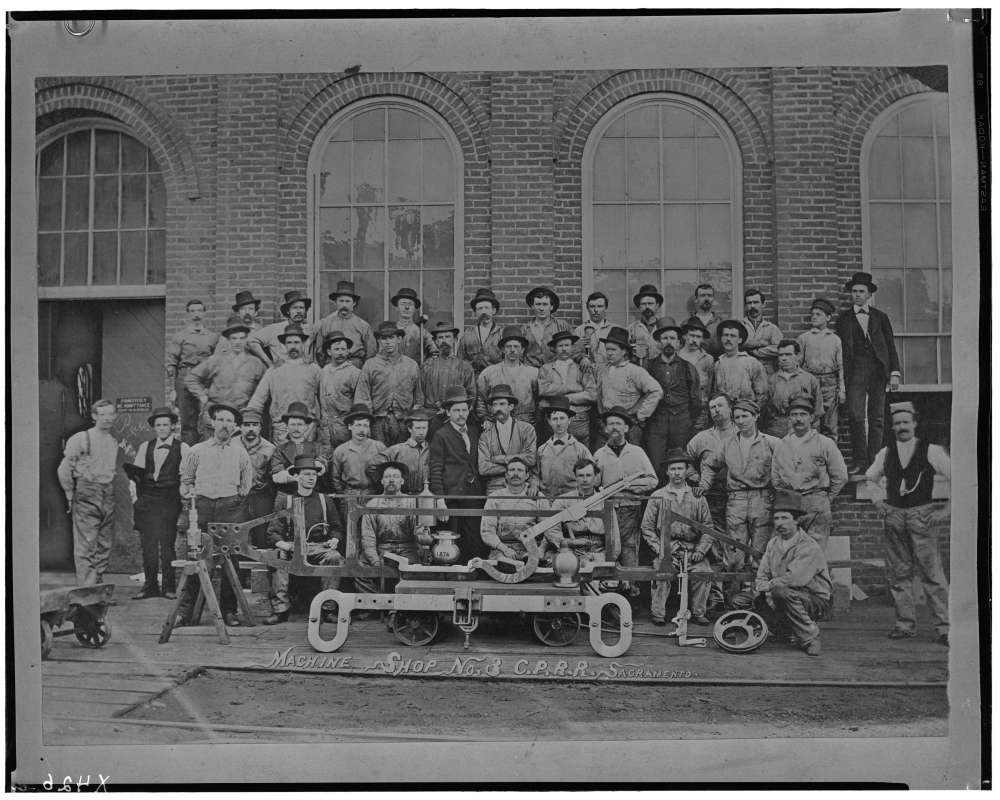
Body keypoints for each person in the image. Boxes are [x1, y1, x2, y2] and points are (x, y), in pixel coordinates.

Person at [864, 402, 950, 645]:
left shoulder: (930, 450)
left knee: (932, 575)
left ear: (914, 423)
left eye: (906, 422)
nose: (901, 426)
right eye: (897, 423)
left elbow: (960, 476)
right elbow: (870, 479)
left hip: (922, 517)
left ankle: (945, 628)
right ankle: (904, 625)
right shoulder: (886, 452)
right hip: (894, 517)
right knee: (898, 574)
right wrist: (879, 502)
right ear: (892, 427)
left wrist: (946, 510)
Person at [175, 403, 254, 628]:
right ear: (213, 422)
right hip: (202, 508)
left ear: (235, 427)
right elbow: (186, 481)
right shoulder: (196, 451)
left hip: (230, 509)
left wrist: (230, 501)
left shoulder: (240, 453)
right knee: (196, 559)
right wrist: (192, 495)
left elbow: (246, 486)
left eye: (230, 421)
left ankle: (229, 611)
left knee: (231, 561)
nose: (225, 425)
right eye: (221, 420)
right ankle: (185, 612)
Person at [697, 399, 779, 578]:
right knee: (734, 552)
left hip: (762, 499)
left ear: (756, 417)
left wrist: (777, 493)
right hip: (736, 500)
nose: (741, 421)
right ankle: (733, 596)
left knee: (761, 550)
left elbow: (783, 470)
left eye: (745, 416)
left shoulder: (772, 443)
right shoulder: (727, 443)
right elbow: (710, 465)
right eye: (737, 418)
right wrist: (704, 484)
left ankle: (759, 596)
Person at [263, 455, 343, 625]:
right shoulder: (285, 500)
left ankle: (328, 609)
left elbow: (337, 527)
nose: (311, 478)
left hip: (319, 547)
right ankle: (280, 610)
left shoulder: (324, 500)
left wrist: (335, 539)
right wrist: (286, 546)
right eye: (306, 474)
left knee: (334, 558)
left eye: (313, 475)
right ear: (297, 476)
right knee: (278, 559)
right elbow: (273, 532)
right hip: (292, 547)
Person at [753, 489, 833, 657]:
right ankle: (786, 632)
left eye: (784, 518)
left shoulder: (808, 546)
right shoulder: (773, 543)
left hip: (814, 600)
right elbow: (762, 574)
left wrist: (767, 586)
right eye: (776, 518)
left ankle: (811, 638)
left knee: (780, 592)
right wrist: (762, 587)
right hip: (782, 593)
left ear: (796, 521)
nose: (779, 523)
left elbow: (794, 579)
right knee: (745, 599)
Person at [835, 271, 902, 472]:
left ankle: (875, 462)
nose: (857, 295)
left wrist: (895, 373)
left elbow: (890, 345)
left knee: (877, 417)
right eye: (854, 291)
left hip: (878, 370)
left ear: (869, 294)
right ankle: (860, 461)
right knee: (855, 415)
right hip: (855, 370)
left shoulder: (881, 317)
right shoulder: (843, 319)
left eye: (861, 291)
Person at [641, 449, 715, 626]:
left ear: (687, 470)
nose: (676, 473)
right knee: (662, 571)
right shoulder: (658, 496)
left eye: (680, 468)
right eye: (672, 469)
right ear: (667, 471)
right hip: (667, 547)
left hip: (692, 548)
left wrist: (700, 550)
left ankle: (698, 612)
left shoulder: (697, 498)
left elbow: (708, 528)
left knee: (704, 572)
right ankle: (658, 613)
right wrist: (660, 550)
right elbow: (647, 528)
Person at [592, 407, 658, 600]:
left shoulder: (637, 452)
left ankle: (632, 594)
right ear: (605, 429)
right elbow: (595, 486)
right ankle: (609, 594)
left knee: (630, 549)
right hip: (608, 510)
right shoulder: (599, 455)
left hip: (631, 508)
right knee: (609, 549)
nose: (614, 427)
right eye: (610, 423)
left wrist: (630, 486)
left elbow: (652, 480)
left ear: (627, 428)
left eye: (618, 423)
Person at [771, 397, 848, 552]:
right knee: (788, 553)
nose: (798, 419)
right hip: (790, 506)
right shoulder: (782, 445)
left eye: (803, 414)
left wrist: (825, 498)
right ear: (789, 418)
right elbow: (776, 479)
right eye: (794, 414)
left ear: (812, 417)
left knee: (813, 555)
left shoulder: (824, 443)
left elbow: (840, 476)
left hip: (816, 506)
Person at [58, 399, 120, 586]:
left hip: (107, 493)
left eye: (111, 414)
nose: (107, 418)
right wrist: (70, 493)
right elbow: (64, 469)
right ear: (94, 416)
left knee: (104, 545)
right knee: (86, 545)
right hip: (87, 492)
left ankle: (97, 590)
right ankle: (86, 592)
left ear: (115, 416)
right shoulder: (80, 439)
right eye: (102, 414)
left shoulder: (113, 441)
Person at [128, 407, 189, 599]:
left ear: (172, 426)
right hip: (147, 502)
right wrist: (137, 500)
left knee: (167, 545)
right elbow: (135, 477)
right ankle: (150, 586)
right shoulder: (146, 447)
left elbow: (187, 477)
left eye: (165, 424)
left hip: (169, 502)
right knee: (148, 546)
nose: (162, 428)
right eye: (158, 425)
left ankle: (169, 587)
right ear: (154, 427)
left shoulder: (183, 448)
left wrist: (183, 496)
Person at [185, 314, 267, 440]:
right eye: (233, 338)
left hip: (241, 416)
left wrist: (251, 408)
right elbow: (191, 378)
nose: (237, 342)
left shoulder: (256, 363)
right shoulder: (216, 360)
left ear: (247, 339)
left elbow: (264, 388)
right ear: (228, 340)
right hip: (215, 414)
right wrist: (202, 395)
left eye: (241, 338)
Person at [428, 386, 485, 560]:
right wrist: (440, 500)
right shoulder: (441, 435)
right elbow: (435, 469)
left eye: (464, 410)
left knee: (474, 539)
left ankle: (473, 576)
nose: (461, 414)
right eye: (456, 410)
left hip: (474, 496)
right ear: (447, 412)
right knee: (452, 541)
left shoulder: (475, 432)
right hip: (451, 497)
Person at [245, 323, 322, 445]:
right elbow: (258, 400)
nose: (293, 346)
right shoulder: (274, 371)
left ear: (303, 344)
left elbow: (323, 400)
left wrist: (315, 423)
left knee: (305, 462)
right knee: (281, 462)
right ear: (284, 345)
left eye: (297, 342)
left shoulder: (314, 369)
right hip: (281, 429)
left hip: (307, 428)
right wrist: (249, 422)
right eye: (289, 343)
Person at [357, 462, 429, 593]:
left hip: (407, 549)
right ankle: (377, 603)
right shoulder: (373, 504)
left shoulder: (412, 502)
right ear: (382, 481)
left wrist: (422, 543)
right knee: (358, 568)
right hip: (382, 550)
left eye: (395, 476)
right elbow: (367, 538)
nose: (391, 479)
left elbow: (419, 532)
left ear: (402, 481)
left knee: (420, 571)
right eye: (387, 477)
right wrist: (376, 562)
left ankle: (404, 609)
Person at [645, 324, 701, 484]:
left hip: (681, 424)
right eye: (664, 338)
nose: (668, 342)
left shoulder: (688, 367)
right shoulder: (648, 366)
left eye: (672, 338)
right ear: (658, 343)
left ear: (678, 343)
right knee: (656, 465)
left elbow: (696, 400)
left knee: (679, 465)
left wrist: (686, 419)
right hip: (656, 424)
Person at [355, 321, 424, 446]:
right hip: (378, 422)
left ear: (399, 339)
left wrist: (412, 422)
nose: (387, 342)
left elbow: (418, 398)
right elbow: (362, 397)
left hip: (403, 422)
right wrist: (367, 424)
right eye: (384, 338)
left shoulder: (411, 365)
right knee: (379, 458)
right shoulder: (370, 365)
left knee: (402, 458)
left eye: (391, 337)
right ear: (379, 341)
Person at [593, 326, 663, 448]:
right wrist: (601, 416)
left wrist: (640, 415)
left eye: (613, 350)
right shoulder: (603, 370)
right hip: (607, 424)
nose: (609, 353)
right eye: (607, 349)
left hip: (629, 426)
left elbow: (656, 391)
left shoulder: (635, 371)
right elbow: (599, 393)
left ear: (624, 351)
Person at [329, 403, 389, 538]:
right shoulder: (341, 451)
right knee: (351, 534)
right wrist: (345, 497)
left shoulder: (379, 447)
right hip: (350, 496)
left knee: (372, 533)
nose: (362, 430)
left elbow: (387, 472)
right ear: (350, 427)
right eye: (358, 425)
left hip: (373, 495)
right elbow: (335, 478)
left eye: (365, 425)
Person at [166, 300, 220, 444]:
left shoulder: (212, 337)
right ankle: (189, 457)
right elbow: (171, 364)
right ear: (188, 313)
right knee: (188, 421)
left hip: (205, 379)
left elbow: (217, 362)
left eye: (199, 311)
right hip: (185, 377)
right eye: (192, 311)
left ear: (204, 313)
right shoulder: (180, 336)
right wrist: (172, 389)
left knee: (207, 418)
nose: (196, 314)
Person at [549, 458, 620, 566]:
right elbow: (552, 531)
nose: (585, 480)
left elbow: (615, 540)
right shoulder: (563, 501)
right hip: (571, 553)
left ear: (595, 477)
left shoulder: (605, 503)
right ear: (575, 477)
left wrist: (604, 558)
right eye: (581, 476)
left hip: (599, 554)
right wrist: (567, 548)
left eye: (589, 475)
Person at [686, 392, 738, 531]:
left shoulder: (741, 433)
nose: (716, 410)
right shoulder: (701, 438)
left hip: (737, 493)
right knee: (712, 532)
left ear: (730, 408)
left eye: (720, 405)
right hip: (711, 493)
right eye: (712, 407)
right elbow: (685, 461)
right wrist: (695, 477)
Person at [420, 318, 478, 441]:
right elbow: (420, 393)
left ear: (455, 340)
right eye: (440, 338)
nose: (444, 341)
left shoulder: (465, 367)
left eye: (448, 337)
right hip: (433, 418)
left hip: (456, 418)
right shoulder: (427, 366)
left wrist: (458, 411)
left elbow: (471, 395)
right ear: (435, 341)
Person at [480, 457, 546, 562]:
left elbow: (549, 530)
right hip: (502, 550)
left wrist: (540, 549)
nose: (515, 474)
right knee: (502, 565)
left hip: (531, 548)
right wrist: (504, 549)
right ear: (506, 475)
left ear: (527, 475)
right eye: (512, 470)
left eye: (520, 470)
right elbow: (487, 532)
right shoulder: (495, 498)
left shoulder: (538, 497)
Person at [537, 330, 596, 447]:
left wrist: (567, 398)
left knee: (580, 453)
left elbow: (592, 394)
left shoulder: (582, 367)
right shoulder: (546, 368)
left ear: (572, 347)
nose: (564, 349)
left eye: (567, 345)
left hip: (578, 418)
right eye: (560, 346)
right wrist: (574, 387)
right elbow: (544, 389)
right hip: (554, 418)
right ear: (554, 348)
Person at [797, 298, 846, 439]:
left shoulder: (835, 339)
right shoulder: (804, 338)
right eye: (812, 314)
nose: (814, 317)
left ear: (828, 317)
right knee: (812, 424)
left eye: (818, 314)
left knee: (830, 426)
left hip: (830, 384)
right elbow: (797, 364)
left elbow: (841, 366)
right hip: (810, 383)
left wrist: (842, 389)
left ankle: (829, 458)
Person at [477, 384, 538, 494]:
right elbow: (483, 468)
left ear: (511, 406)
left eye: (502, 404)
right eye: (495, 405)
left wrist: (498, 459)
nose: (498, 408)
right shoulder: (486, 435)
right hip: (495, 486)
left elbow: (530, 458)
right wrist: (515, 470)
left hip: (522, 484)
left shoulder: (526, 429)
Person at [476, 326, 539, 427]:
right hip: (496, 423)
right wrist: (484, 419)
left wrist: (535, 422)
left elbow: (539, 401)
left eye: (516, 346)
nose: (512, 350)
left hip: (525, 424)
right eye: (508, 347)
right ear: (502, 349)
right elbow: (481, 399)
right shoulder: (489, 373)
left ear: (522, 349)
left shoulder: (533, 373)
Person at [763, 339, 823, 438]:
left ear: (798, 355)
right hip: (777, 431)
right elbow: (765, 410)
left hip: (802, 430)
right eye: (781, 355)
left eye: (788, 354)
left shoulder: (809, 379)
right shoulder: (771, 381)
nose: (784, 358)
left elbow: (818, 410)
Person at [311, 280, 378, 368]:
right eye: (341, 301)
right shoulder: (326, 323)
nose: (344, 305)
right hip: (332, 365)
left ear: (354, 303)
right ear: (335, 302)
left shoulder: (363, 325)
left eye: (347, 301)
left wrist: (361, 368)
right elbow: (320, 350)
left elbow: (371, 351)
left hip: (355, 365)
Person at [537, 397, 593, 500]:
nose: (559, 423)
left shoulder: (580, 449)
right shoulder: (542, 450)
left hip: (572, 502)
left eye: (562, 418)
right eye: (555, 419)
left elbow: (592, 476)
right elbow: (535, 474)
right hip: (547, 501)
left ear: (569, 420)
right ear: (549, 421)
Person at [317, 333, 362, 459]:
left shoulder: (354, 373)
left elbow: (359, 403)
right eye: (336, 349)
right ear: (329, 352)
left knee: (345, 458)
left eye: (343, 349)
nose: (340, 353)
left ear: (348, 351)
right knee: (326, 459)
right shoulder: (324, 371)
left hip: (345, 425)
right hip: (326, 425)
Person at [246, 289, 315, 368]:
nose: (299, 311)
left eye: (301, 308)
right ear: (288, 311)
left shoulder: (308, 330)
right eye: (295, 308)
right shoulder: (275, 328)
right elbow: (251, 340)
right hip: (281, 374)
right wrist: (268, 362)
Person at [237, 409, 276, 548]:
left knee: (262, 536)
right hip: (237, 496)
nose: (251, 429)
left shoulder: (269, 449)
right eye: (246, 425)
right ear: (240, 427)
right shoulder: (232, 445)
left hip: (260, 496)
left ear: (260, 427)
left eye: (254, 425)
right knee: (238, 537)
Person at [270, 401, 326, 494]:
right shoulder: (280, 449)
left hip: (311, 494)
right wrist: (293, 476)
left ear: (306, 427)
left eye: (300, 424)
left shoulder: (316, 447)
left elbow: (322, 464)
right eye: (292, 424)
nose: (296, 428)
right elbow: (276, 474)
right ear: (287, 426)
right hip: (288, 494)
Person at [711, 319, 768, 408]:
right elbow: (715, 393)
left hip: (746, 414)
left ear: (740, 340)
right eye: (725, 335)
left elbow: (762, 395)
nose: (728, 339)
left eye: (733, 336)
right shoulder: (718, 364)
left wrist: (753, 413)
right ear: (721, 338)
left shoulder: (751, 362)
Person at [627, 284, 677, 368]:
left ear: (657, 306)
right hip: (640, 373)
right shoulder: (631, 329)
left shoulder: (666, 328)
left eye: (650, 304)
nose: (647, 307)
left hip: (662, 372)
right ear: (639, 307)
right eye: (643, 304)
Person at [386, 408, 434, 494]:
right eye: (418, 428)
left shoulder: (433, 450)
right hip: (403, 497)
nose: (421, 432)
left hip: (426, 497)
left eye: (424, 428)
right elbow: (373, 466)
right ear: (410, 429)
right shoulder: (397, 450)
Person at [522, 286, 571, 368]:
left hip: (555, 371)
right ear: (532, 306)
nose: (541, 308)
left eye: (545, 304)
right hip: (531, 371)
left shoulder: (562, 325)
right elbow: (519, 354)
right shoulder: (525, 329)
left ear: (551, 307)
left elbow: (575, 348)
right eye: (538, 304)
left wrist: (582, 359)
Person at [679, 320, 715, 431]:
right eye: (692, 335)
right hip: (680, 409)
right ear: (685, 336)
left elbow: (710, 384)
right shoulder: (677, 356)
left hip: (700, 410)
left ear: (702, 339)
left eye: (698, 337)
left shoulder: (707, 359)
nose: (694, 340)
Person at [457, 287, 503, 374]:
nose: (484, 312)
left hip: (495, 378)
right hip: (472, 380)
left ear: (493, 310)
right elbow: (460, 361)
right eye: (480, 309)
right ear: (475, 313)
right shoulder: (467, 335)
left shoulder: (501, 333)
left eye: (487, 308)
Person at [741, 288, 784, 375]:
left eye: (756, 302)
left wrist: (754, 352)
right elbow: (739, 344)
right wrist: (761, 343)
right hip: (744, 370)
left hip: (766, 372)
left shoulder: (771, 328)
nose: (752, 306)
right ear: (745, 306)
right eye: (749, 303)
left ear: (763, 304)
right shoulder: (740, 326)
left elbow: (779, 349)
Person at [391, 287, 437, 364]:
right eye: (403, 304)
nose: (406, 307)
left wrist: (425, 367)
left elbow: (434, 353)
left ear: (415, 309)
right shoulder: (390, 331)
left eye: (410, 304)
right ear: (396, 308)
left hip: (415, 374)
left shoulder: (422, 333)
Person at [573, 291, 615, 369]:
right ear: (587, 308)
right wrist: (581, 358)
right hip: (586, 373)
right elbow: (572, 355)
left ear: (606, 308)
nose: (596, 310)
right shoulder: (579, 331)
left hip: (609, 373)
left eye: (600, 306)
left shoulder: (614, 330)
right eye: (592, 306)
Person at [215, 289, 264, 354]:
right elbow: (217, 354)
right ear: (238, 313)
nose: (247, 312)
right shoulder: (229, 331)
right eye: (243, 309)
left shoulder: (261, 330)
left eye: (251, 308)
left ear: (255, 313)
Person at [684, 283, 724, 358]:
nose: (706, 299)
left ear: (713, 299)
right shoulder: (686, 323)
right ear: (696, 299)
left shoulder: (720, 323)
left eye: (709, 296)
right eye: (702, 296)